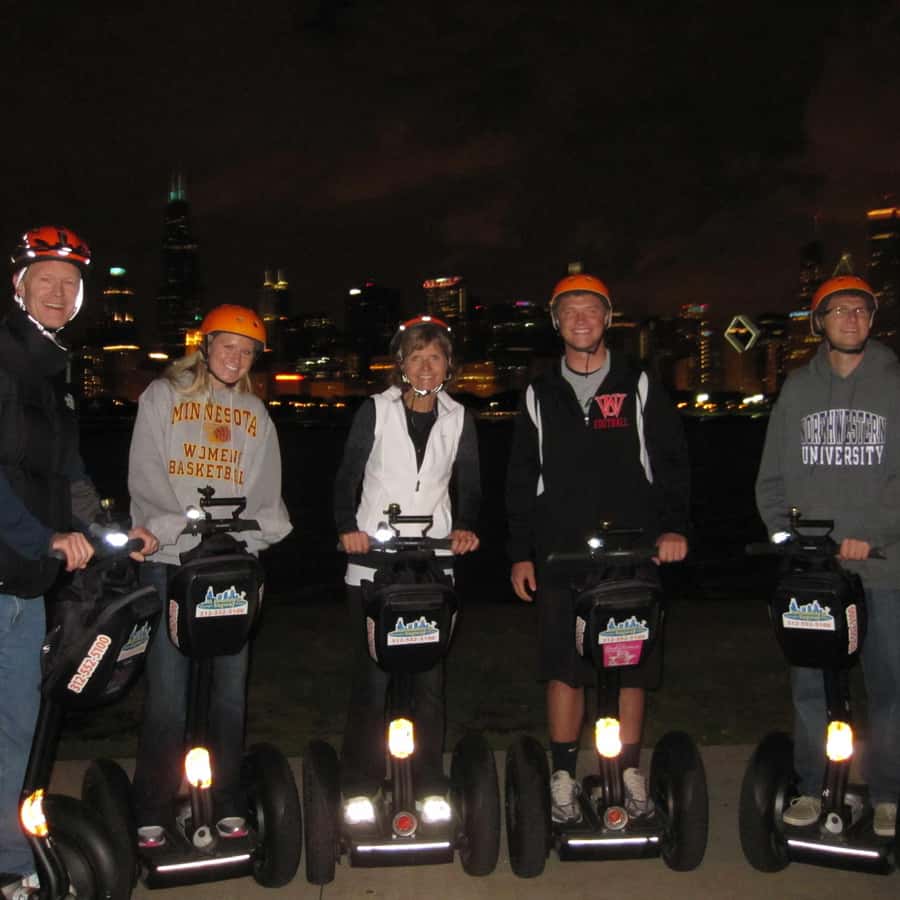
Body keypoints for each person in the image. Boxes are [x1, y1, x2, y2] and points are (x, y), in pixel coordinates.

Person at [0, 226, 157, 898]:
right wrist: (43, 537)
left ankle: (12, 865)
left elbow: (68, 474)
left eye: (70, 283)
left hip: (25, 583)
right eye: (46, 279)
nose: (59, 292)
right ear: (19, 286)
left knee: (20, 728)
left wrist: (109, 530)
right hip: (13, 563)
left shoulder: (52, 371)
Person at [506, 273, 690, 824]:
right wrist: (521, 551)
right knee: (565, 667)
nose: (580, 320)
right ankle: (563, 774)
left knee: (630, 663)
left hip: (633, 549)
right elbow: (522, 478)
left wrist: (672, 529)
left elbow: (671, 461)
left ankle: (628, 770)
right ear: (556, 322)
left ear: (608, 318)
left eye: (591, 310)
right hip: (561, 553)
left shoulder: (638, 382)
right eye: (570, 311)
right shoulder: (539, 393)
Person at [128, 304, 291, 847]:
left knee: (229, 690)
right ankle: (152, 804)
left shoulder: (254, 412)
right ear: (205, 345)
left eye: (247, 352)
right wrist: (167, 524)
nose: (236, 358)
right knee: (168, 694)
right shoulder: (163, 397)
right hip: (171, 562)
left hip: (228, 563)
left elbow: (265, 486)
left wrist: (256, 533)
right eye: (228, 347)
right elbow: (147, 471)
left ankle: (226, 799)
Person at [756, 274, 900, 838]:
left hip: (883, 565)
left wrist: (874, 532)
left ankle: (887, 794)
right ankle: (814, 786)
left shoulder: (894, 382)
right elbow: (771, 478)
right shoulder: (797, 390)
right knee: (811, 686)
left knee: (888, 685)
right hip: (814, 572)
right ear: (819, 322)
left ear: (872, 319)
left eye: (860, 310)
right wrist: (784, 536)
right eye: (838, 310)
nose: (851, 318)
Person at [333, 315, 480, 807]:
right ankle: (360, 783)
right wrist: (347, 529)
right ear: (400, 363)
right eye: (416, 357)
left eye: (435, 357)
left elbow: (470, 483)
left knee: (430, 682)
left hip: (433, 563)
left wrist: (465, 527)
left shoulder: (458, 417)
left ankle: (428, 782)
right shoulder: (376, 410)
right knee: (373, 680)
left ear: (449, 366)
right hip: (373, 562)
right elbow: (347, 476)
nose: (425, 366)